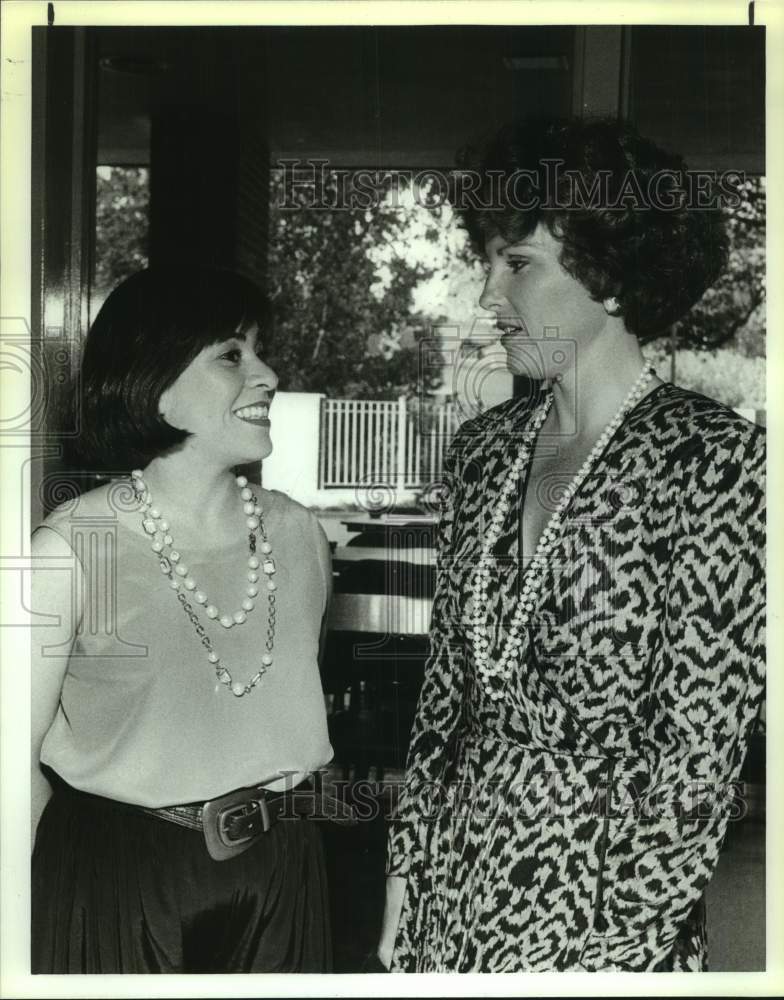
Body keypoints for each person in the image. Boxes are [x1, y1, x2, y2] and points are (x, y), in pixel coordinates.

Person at [376, 118, 766, 972]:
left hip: (606, 901)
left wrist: (614, 948)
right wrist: (406, 877)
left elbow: (697, 753)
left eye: (517, 264)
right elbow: (444, 698)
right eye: (487, 263)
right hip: (453, 881)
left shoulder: (713, 458)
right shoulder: (483, 452)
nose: (487, 295)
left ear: (614, 279)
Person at [31, 267, 344, 973]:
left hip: (284, 869)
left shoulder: (300, 536)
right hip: (118, 879)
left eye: (260, 351)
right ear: (155, 382)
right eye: (231, 354)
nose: (266, 374)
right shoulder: (70, 550)